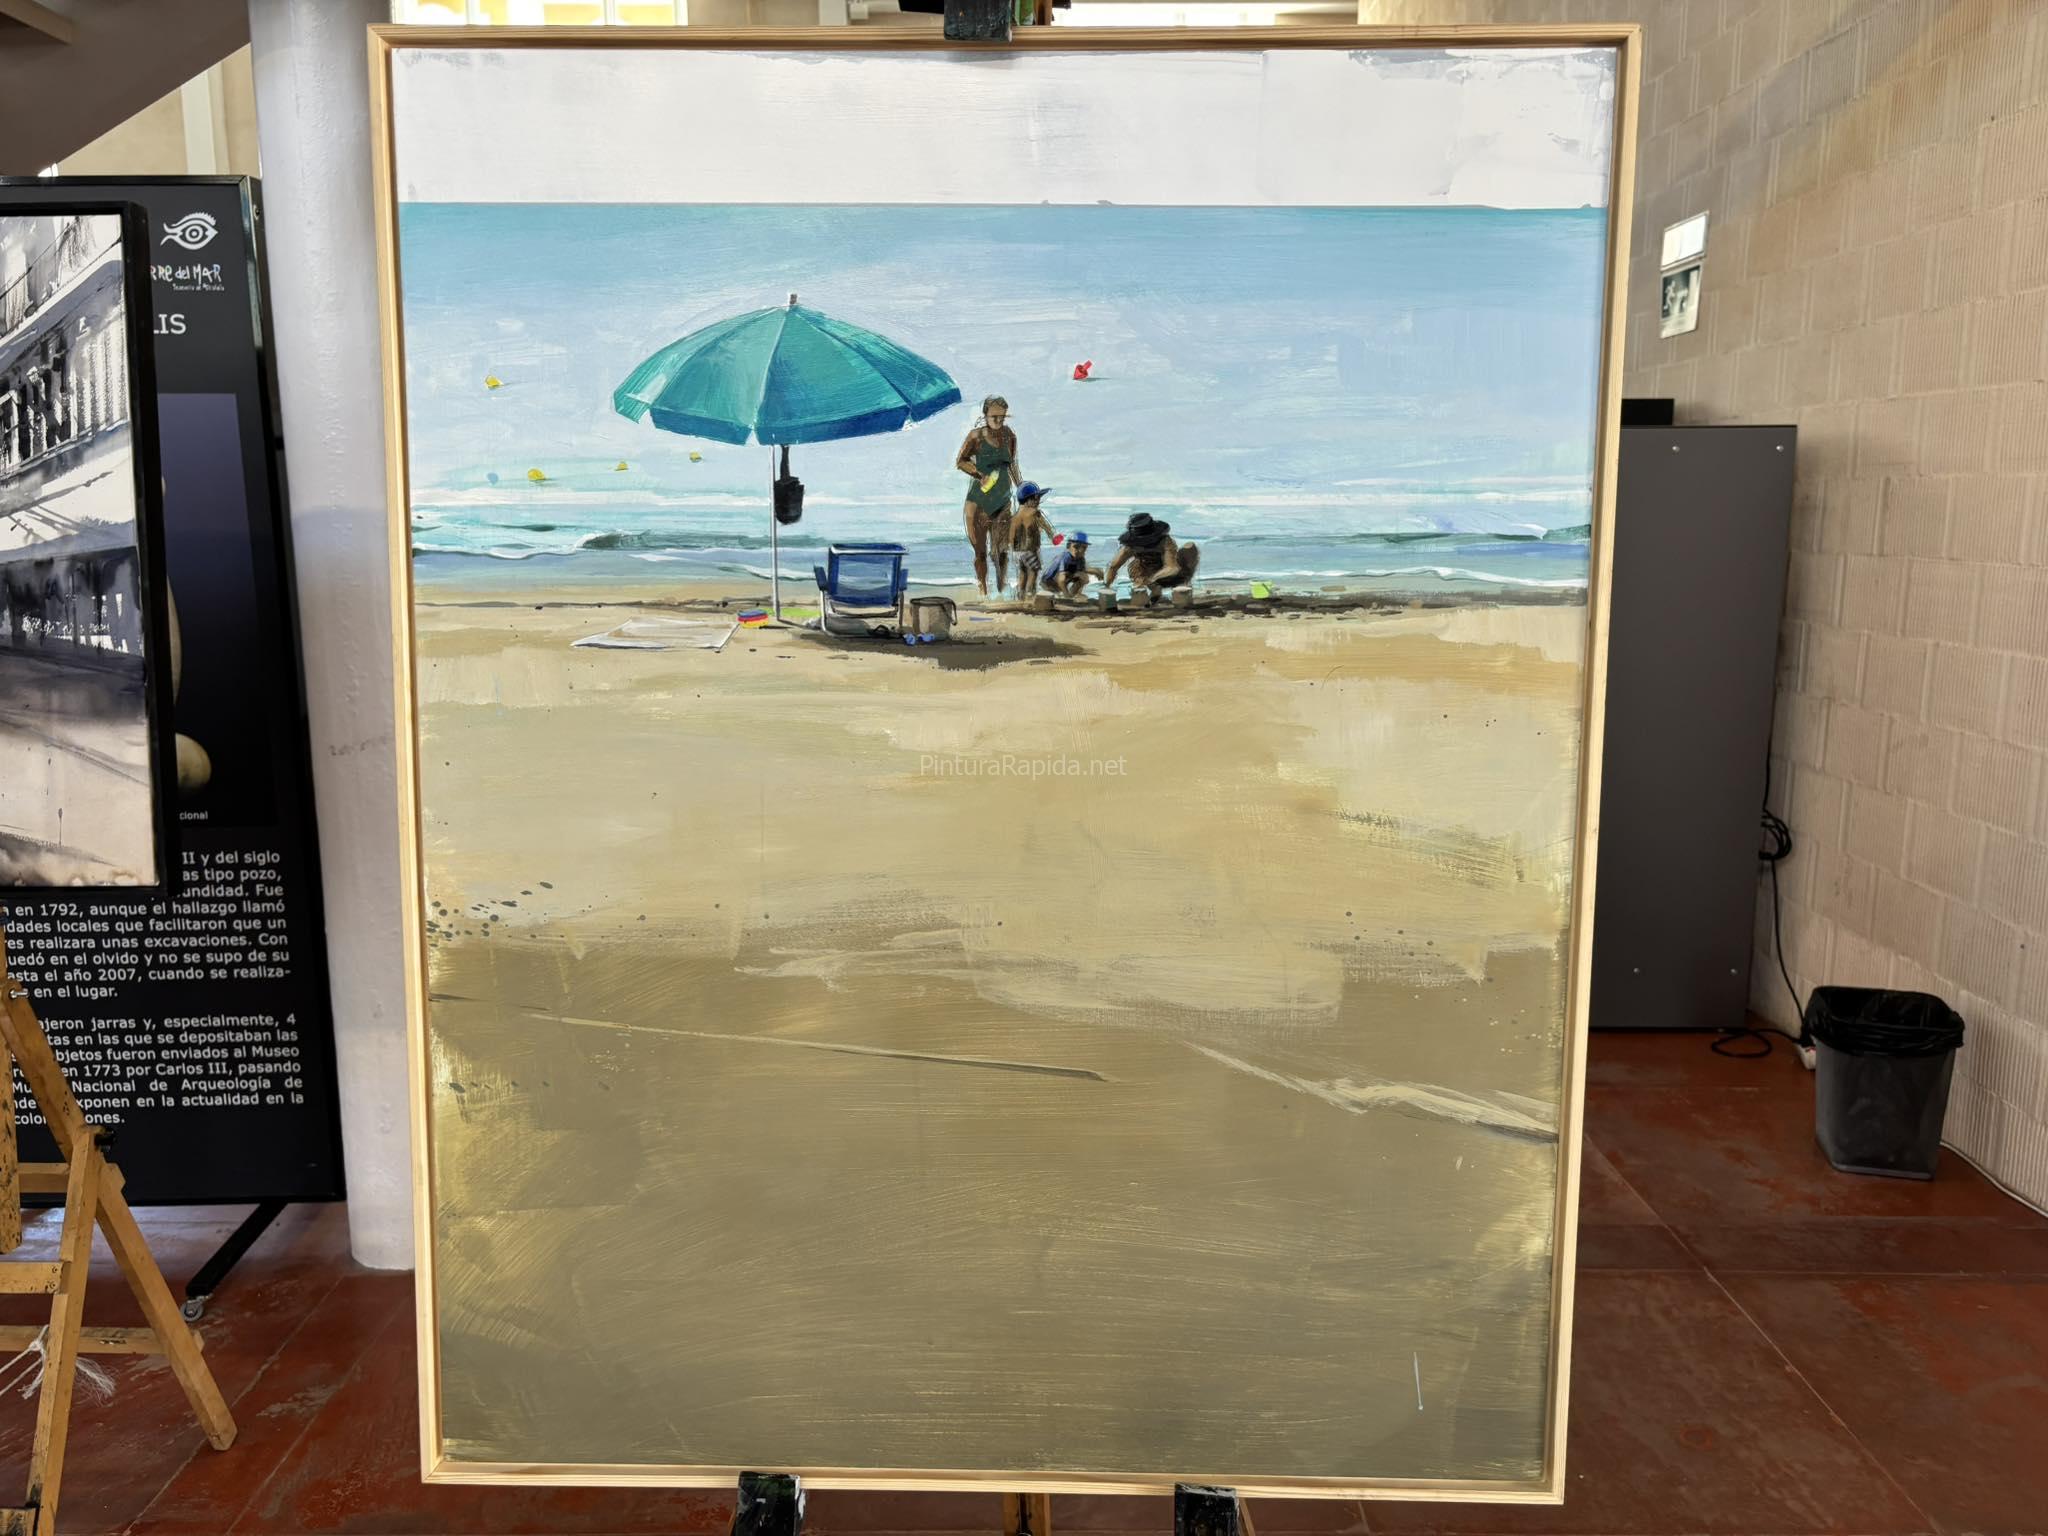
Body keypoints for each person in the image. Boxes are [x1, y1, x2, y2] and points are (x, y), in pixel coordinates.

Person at [956, 395, 1021, 597]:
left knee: (1001, 551)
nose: (999, 421)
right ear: (985, 415)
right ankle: (983, 590)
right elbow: (960, 461)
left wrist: (1021, 487)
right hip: (978, 501)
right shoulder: (975, 436)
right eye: (994, 417)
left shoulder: (1009, 436)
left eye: (1002, 417)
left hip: (1002, 500)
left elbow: (1012, 464)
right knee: (980, 552)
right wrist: (979, 474)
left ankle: (1001, 589)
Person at [1102, 512, 1199, 603]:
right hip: (1145, 572)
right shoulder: (1130, 546)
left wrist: (1153, 578)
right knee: (1138, 578)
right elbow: (1113, 566)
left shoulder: (1165, 541)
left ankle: (1177, 592)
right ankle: (1153, 595)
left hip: (1165, 574)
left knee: (1189, 548)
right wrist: (1107, 586)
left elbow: (1172, 567)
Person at [1008, 482, 1058, 601]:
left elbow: (1010, 538)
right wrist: (1053, 537)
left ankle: (1020, 598)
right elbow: (1046, 527)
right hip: (1030, 550)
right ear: (1028, 500)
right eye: (1036, 498)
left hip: (1018, 553)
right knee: (1033, 573)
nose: (1038, 501)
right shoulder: (1035, 513)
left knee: (1023, 574)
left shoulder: (1014, 518)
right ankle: (1030, 597)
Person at [1040, 529, 1102, 599]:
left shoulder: (1080, 558)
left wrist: (1096, 571)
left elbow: (1082, 572)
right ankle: (1066, 596)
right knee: (1064, 576)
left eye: (1084, 547)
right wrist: (1067, 596)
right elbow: (1061, 579)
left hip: (1062, 581)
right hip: (1049, 583)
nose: (1080, 550)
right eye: (1076, 547)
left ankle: (1074, 594)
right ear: (1068, 546)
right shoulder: (1065, 557)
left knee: (1084, 576)